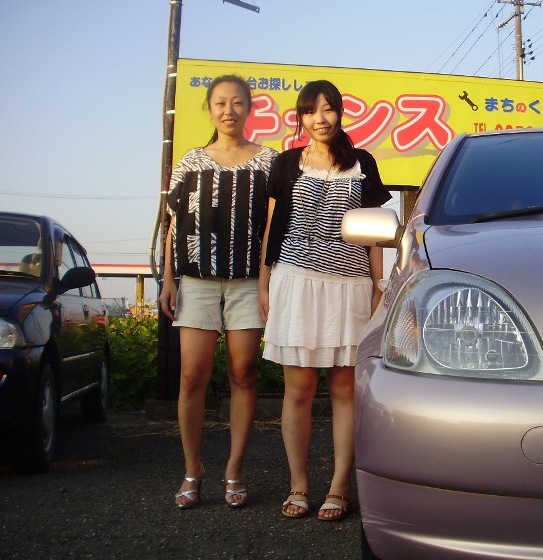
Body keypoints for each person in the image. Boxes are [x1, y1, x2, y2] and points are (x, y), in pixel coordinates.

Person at [259, 80, 391, 521]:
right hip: (295, 282)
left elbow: (375, 233)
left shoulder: (362, 163)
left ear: (340, 113)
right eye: (312, 111)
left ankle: (339, 487)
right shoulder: (286, 163)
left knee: (343, 389)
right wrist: (264, 281)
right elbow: (273, 226)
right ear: (301, 117)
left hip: (349, 285)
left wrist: (378, 286)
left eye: (329, 108)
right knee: (298, 389)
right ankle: (298, 485)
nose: (321, 118)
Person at [159, 74, 277, 509]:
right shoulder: (191, 161)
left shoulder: (269, 162)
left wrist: (266, 281)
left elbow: (273, 226)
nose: (229, 110)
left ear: (250, 108)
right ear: (209, 109)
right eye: (221, 103)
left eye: (238, 102)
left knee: (243, 373)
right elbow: (174, 225)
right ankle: (192, 469)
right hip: (196, 281)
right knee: (192, 375)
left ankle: (234, 469)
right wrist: (168, 280)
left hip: (248, 281)